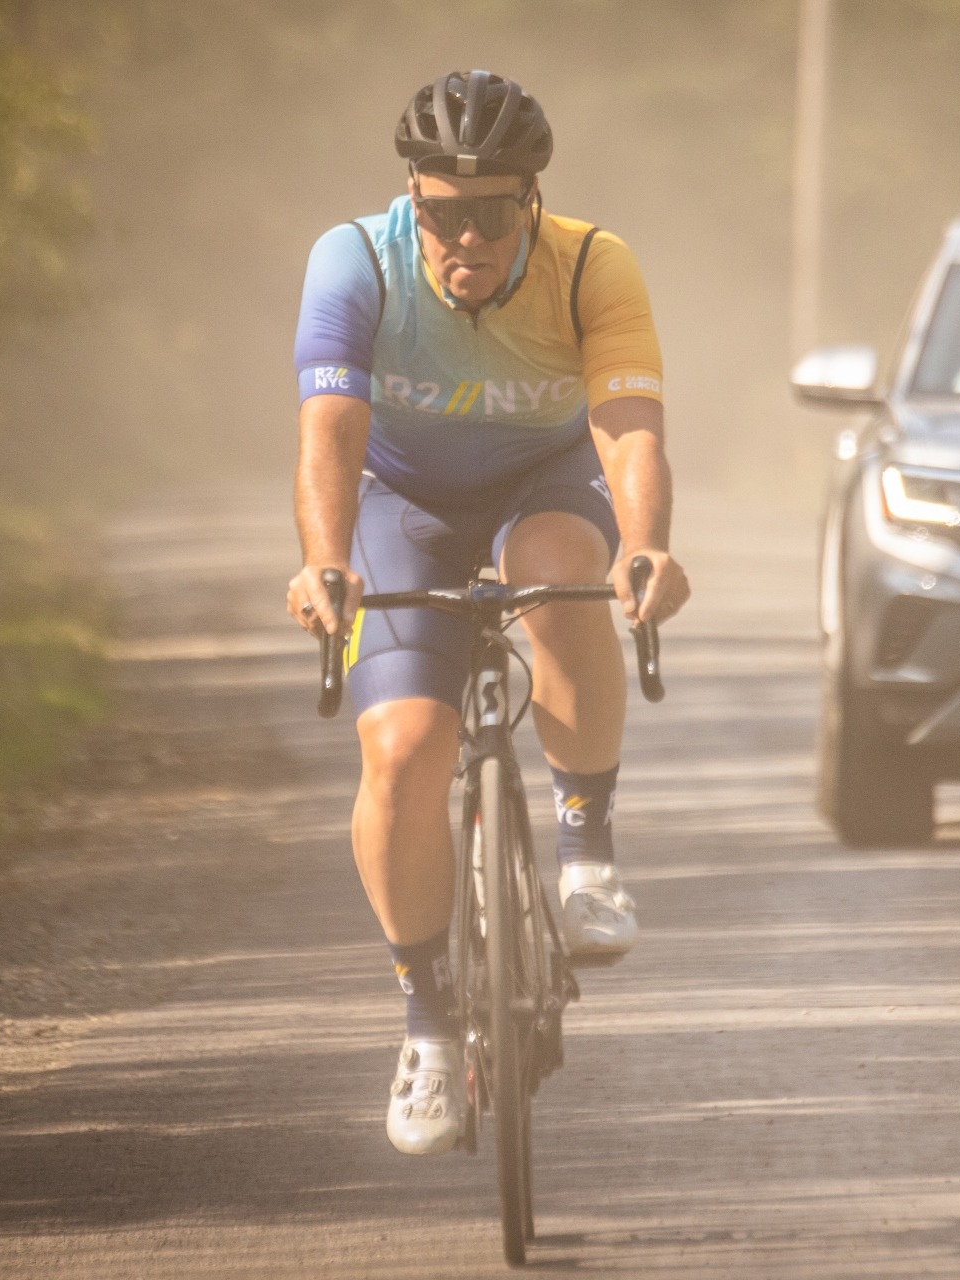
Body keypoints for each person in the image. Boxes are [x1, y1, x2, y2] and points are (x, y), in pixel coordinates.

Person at [286, 70, 690, 1156]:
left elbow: (629, 425)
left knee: (565, 573)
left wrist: (646, 544)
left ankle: (586, 852)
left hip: (542, 482)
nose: (466, 235)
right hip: (398, 501)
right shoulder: (355, 260)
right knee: (405, 748)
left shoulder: (593, 264)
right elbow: (329, 429)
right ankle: (425, 1020)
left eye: (494, 212)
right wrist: (325, 563)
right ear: (411, 200)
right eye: (442, 212)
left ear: (533, 204)